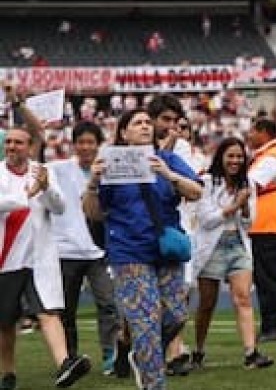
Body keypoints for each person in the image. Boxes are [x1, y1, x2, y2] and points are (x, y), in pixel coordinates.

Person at [82, 108, 202, 390]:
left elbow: (196, 192)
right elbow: (95, 213)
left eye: (148, 122)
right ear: (124, 133)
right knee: (146, 323)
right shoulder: (111, 163)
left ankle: (141, 355)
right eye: (137, 123)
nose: (146, 126)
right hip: (129, 251)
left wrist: (168, 174)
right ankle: (153, 383)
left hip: (165, 248)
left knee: (176, 315)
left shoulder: (167, 159)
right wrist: (93, 183)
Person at [1, 127, 92, 390]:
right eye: (9, 142)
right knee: (5, 321)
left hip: (40, 257)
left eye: (18, 142)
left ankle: (64, 364)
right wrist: (29, 194)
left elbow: (59, 207)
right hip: (6, 257)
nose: (12, 147)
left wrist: (47, 188)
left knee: (48, 311)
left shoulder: (42, 171)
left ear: (30, 146)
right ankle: (7, 373)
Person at [190, 137, 274, 370]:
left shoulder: (247, 184)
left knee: (243, 298)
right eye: (231, 156)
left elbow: (249, 223)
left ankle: (251, 352)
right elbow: (206, 220)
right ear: (221, 158)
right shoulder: (207, 182)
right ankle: (198, 350)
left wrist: (244, 206)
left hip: (237, 244)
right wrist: (235, 205)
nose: (235, 161)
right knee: (207, 303)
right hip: (212, 247)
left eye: (239, 157)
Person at [48, 121, 120, 376]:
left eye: (91, 142)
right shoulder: (58, 169)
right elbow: (34, 163)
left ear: (98, 145)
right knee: (67, 309)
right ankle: (70, 358)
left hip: (98, 251)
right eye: (81, 142)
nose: (86, 147)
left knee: (108, 303)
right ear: (73, 144)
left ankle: (110, 354)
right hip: (66, 250)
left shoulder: (109, 171)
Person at [147, 95, 196, 375]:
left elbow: (193, 190)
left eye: (176, 122)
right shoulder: (130, 149)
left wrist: (169, 167)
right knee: (145, 306)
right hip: (138, 236)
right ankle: (148, 355)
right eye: (165, 120)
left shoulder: (181, 150)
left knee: (176, 307)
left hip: (172, 232)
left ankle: (169, 351)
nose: (171, 127)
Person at [246, 119, 276, 342]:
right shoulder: (270, 155)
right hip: (266, 224)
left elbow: (251, 183)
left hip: (269, 224)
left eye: (252, 131)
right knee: (266, 279)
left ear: (264, 133)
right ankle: (271, 325)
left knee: (271, 279)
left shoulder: (273, 156)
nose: (249, 135)